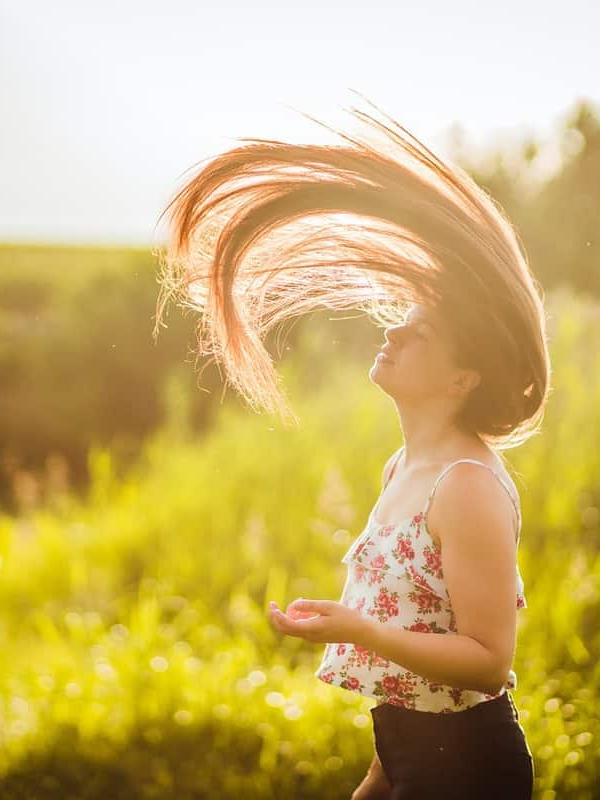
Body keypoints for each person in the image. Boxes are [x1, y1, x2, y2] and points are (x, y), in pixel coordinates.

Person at [155, 99, 551, 799]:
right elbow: (415, 704)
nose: (393, 334)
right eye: (401, 320)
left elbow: (488, 665)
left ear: (463, 378)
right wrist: (376, 779)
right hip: (411, 761)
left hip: (470, 775)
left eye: (419, 333)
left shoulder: (466, 486)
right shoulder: (403, 469)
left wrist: (361, 631)